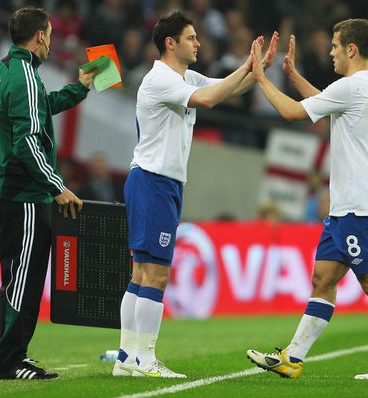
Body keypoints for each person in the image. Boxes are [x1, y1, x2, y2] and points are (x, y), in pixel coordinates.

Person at [112, 11, 278, 378]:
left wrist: (256, 69)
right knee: (154, 275)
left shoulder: (184, 76)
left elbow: (227, 89)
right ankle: (145, 359)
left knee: (141, 273)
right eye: (191, 38)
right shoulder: (160, 79)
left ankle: (127, 358)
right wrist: (249, 65)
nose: (198, 43)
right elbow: (206, 100)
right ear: (170, 43)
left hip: (157, 181)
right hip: (155, 181)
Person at [246, 19, 368, 381]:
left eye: (335, 46)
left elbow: (294, 113)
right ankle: (292, 358)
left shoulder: (352, 87)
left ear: (351, 49)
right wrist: (292, 77)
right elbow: (327, 102)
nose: (331, 52)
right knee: (322, 279)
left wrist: (262, 78)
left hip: (358, 205)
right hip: (348, 207)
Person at [0, 6, 97, 380]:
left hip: (5, 189)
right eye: (49, 34)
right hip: (27, 193)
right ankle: (11, 359)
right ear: (41, 37)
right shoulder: (27, 77)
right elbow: (28, 142)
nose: (51, 40)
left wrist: (79, 88)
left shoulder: (4, 71)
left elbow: (40, 110)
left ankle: (0, 349)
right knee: (25, 278)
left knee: (13, 274)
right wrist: (57, 186)